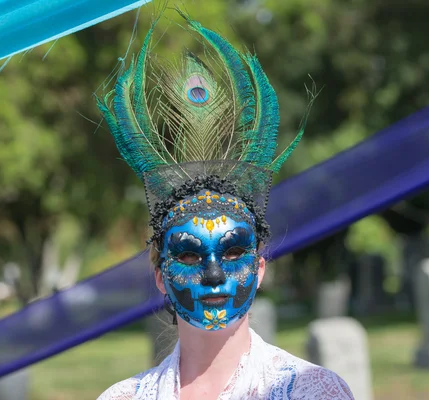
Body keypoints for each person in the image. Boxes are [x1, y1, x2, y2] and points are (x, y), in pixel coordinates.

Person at [96, 10, 354, 400]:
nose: (214, 274)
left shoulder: (312, 392)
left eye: (234, 251)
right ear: (160, 276)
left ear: (260, 267)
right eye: (187, 255)